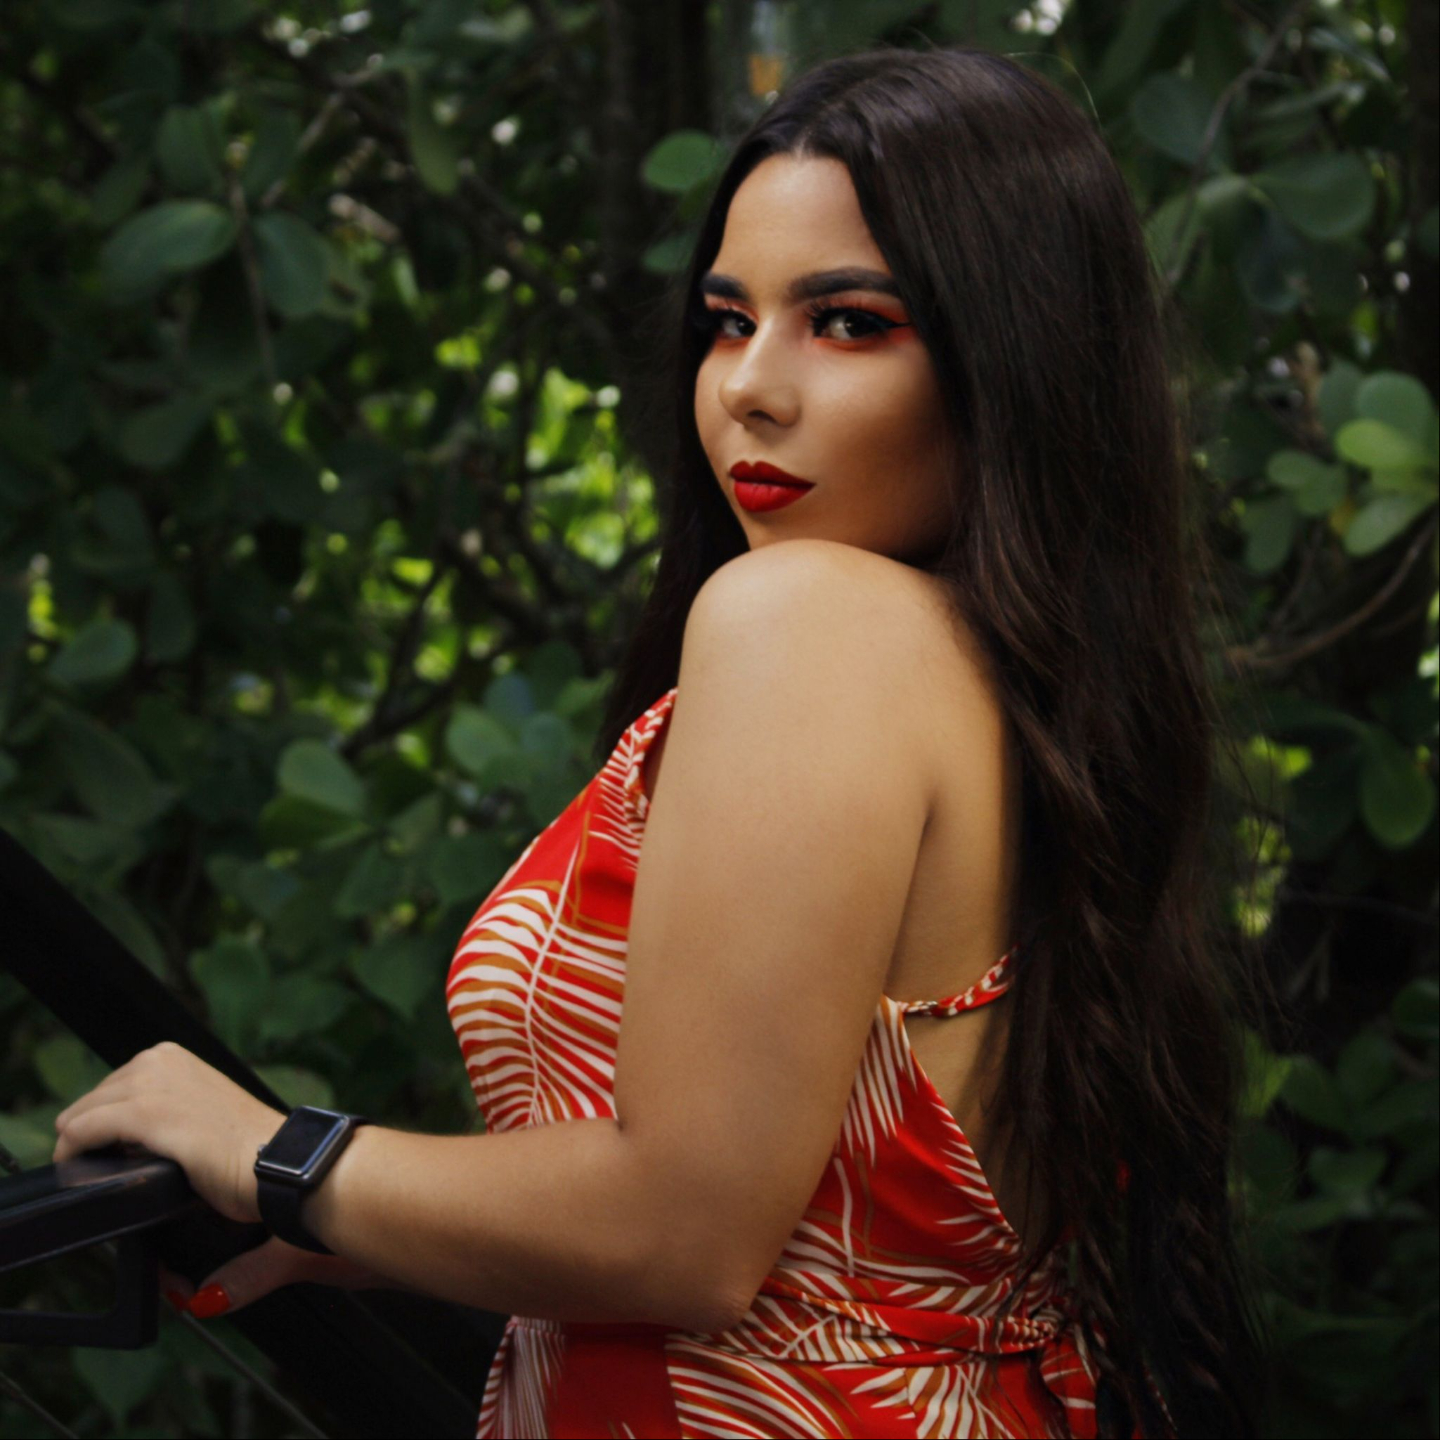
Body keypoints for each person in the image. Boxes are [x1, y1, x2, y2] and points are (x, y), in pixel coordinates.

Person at [52, 44, 1264, 1440]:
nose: (750, 386)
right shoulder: (1031, 695)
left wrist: (273, 1154)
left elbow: (686, 1232)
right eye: (726, 320)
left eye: (849, 323)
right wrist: (385, 1219)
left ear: (1019, 362)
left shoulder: (809, 621)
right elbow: (842, 1236)